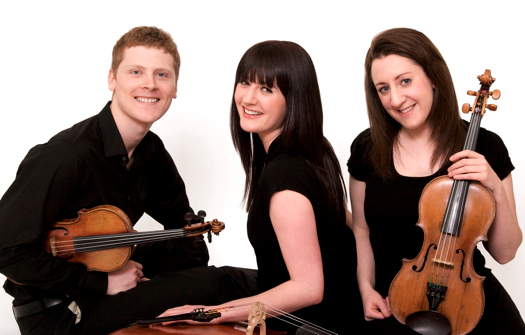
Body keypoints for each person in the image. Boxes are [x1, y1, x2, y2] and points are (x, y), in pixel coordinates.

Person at [0, 26, 214, 335]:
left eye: (162, 75)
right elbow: (6, 251)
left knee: (208, 283)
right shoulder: (66, 156)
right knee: (224, 281)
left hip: (102, 288)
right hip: (56, 312)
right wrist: (102, 282)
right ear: (112, 79)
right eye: (136, 72)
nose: (150, 84)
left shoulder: (151, 152)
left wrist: (179, 281)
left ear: (175, 87)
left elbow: (183, 228)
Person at [159, 40, 363, 334]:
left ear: (294, 99)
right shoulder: (314, 151)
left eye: (266, 89)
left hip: (314, 325)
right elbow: (344, 226)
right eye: (245, 83)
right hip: (333, 310)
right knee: (185, 285)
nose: (248, 99)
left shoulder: (285, 181)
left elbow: (308, 288)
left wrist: (211, 313)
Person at [347, 27, 524, 334]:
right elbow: (362, 229)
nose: (396, 98)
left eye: (405, 81)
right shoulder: (367, 148)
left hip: (467, 303)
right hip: (393, 305)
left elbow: (506, 253)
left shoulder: (485, 146)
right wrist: (365, 288)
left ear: (432, 77)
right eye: (383, 88)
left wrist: (493, 184)